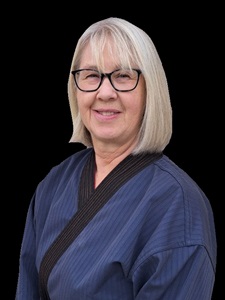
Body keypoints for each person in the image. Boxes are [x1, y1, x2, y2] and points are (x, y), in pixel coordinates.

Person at [15, 17, 217, 299]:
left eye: (123, 76)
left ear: (150, 90)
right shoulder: (54, 185)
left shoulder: (178, 205)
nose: (105, 92)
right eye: (91, 75)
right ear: (75, 88)